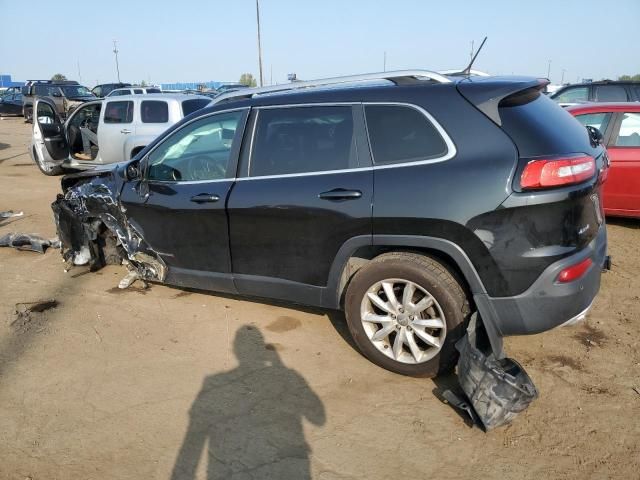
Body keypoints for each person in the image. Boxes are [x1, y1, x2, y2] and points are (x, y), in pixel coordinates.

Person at [171, 325, 325, 480]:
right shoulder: (289, 377)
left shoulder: (214, 382)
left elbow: (193, 438)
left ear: (235, 351)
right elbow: (319, 419)